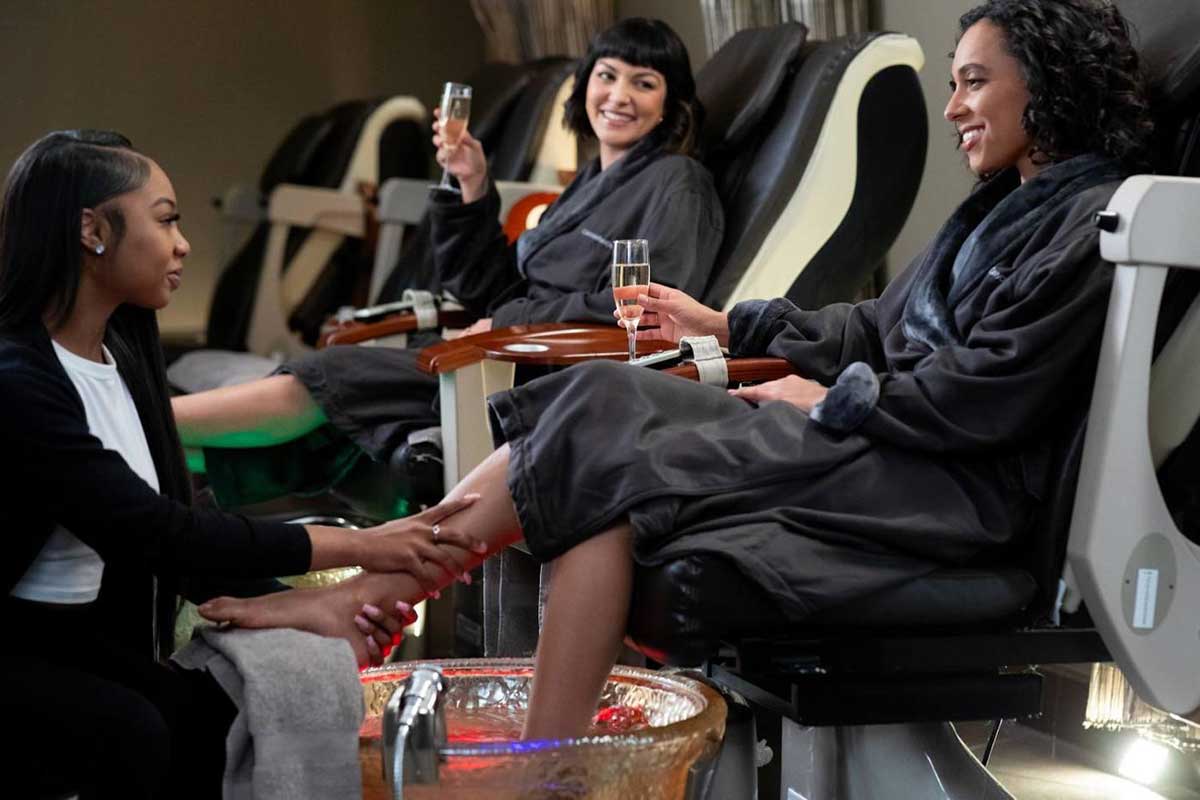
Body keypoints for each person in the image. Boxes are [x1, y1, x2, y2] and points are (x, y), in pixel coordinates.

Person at [200, 0, 1154, 740]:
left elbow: (989, 394)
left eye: (974, 82)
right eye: (953, 82)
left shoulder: (1090, 219)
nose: (952, 107)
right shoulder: (997, 210)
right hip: (886, 444)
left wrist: (836, 397)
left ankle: (386, 594)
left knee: (604, 399)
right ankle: (548, 760)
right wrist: (731, 322)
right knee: (602, 462)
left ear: (1048, 83)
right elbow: (872, 323)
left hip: (940, 483)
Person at [0, 131, 488, 799]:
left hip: (80, 643)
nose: (183, 244)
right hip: (21, 650)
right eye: (166, 219)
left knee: (207, 713)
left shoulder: (123, 360)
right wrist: (363, 546)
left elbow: (182, 536)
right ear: (92, 230)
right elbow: (152, 530)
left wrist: (309, 605)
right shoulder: (18, 378)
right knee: (136, 731)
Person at [173, 17, 724, 502]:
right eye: (607, 75)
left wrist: (503, 326)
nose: (619, 95)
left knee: (332, 372)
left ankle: (139, 425)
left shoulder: (678, 183)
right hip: (500, 351)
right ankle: (157, 467)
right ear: (585, 87)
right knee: (351, 423)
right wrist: (472, 182)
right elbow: (484, 288)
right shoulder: (587, 185)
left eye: (643, 83)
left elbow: (653, 314)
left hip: (546, 372)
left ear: (669, 109)